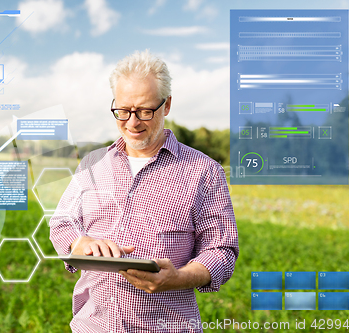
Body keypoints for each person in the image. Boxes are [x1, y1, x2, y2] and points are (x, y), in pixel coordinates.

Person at [50, 50, 239, 332]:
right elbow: (62, 222)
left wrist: (179, 278)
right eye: (123, 110)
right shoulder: (92, 163)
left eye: (145, 111)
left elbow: (222, 250)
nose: (132, 123)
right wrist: (78, 243)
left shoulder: (205, 171)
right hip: (91, 326)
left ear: (167, 105)